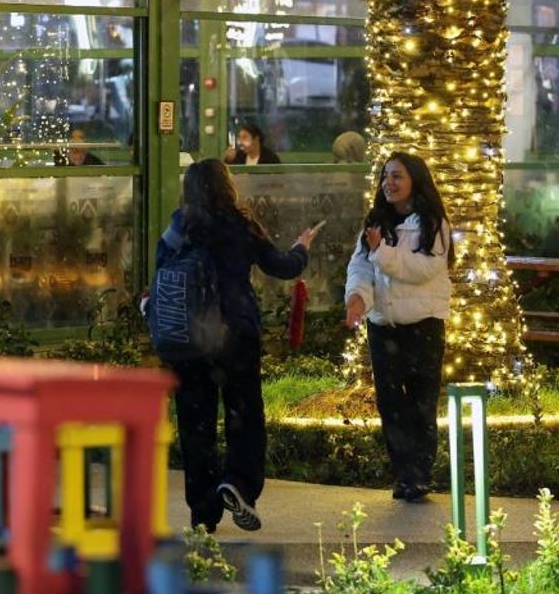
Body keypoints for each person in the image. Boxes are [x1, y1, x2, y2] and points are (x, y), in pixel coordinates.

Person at [160, 159, 318, 533]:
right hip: (236, 334)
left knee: (195, 423)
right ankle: (239, 483)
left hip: (189, 337)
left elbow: (160, 272)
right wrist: (301, 248)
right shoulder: (240, 225)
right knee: (244, 415)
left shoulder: (178, 228)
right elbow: (281, 266)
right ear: (226, 186)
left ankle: (203, 511)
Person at [343, 152, 452, 502]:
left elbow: (423, 270)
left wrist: (382, 253)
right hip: (383, 327)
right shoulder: (376, 223)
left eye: (397, 176)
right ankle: (404, 474)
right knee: (391, 405)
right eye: (385, 176)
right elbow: (360, 267)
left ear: (415, 181)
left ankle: (420, 474)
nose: (388, 183)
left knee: (421, 403)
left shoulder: (432, 224)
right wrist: (357, 298)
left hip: (423, 326)